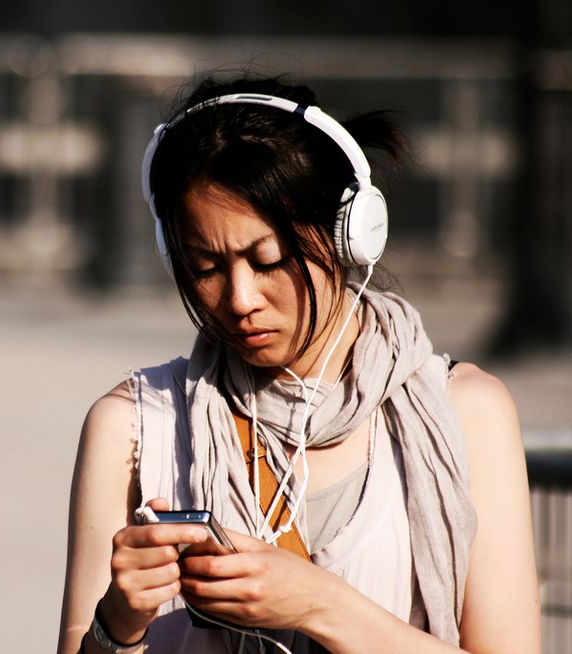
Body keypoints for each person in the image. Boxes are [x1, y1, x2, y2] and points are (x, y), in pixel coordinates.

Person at [56, 74, 541, 654]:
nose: (239, 299)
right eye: (205, 267)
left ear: (350, 234)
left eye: (269, 260)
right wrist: (118, 623)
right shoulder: (135, 423)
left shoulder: (467, 410)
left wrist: (319, 603)